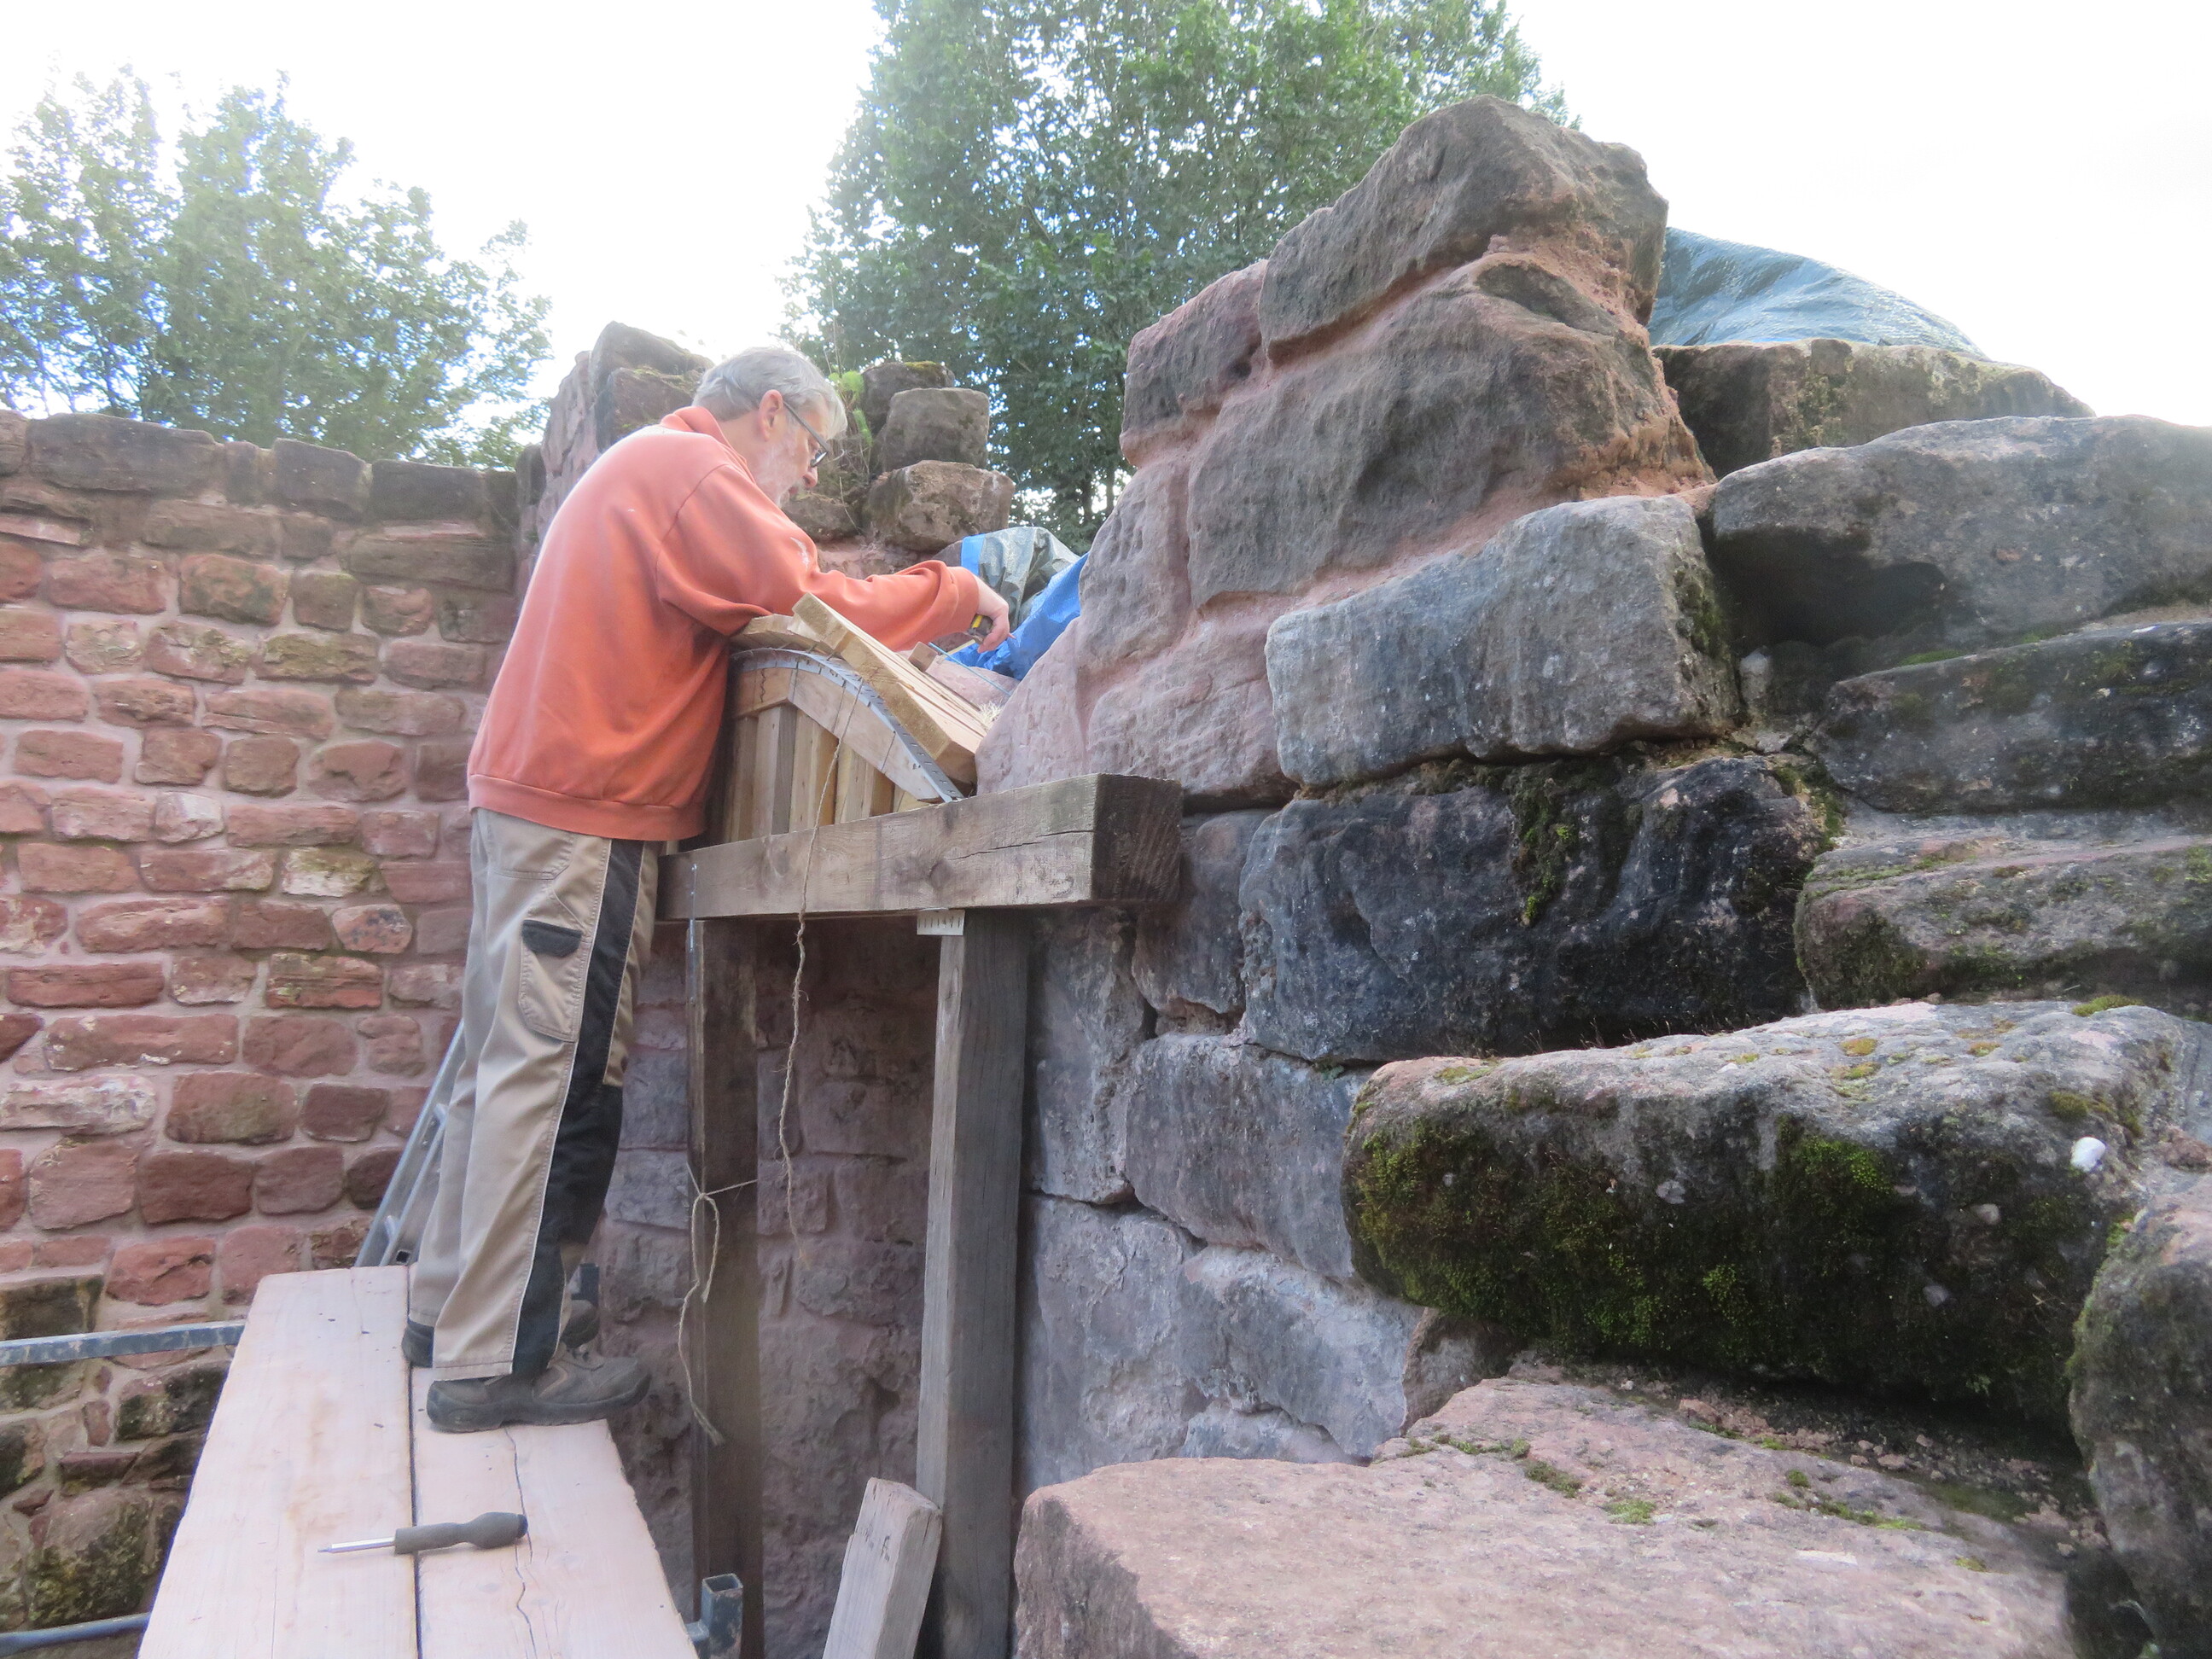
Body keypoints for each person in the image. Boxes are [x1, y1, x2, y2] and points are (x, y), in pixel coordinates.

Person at [405, 347, 1009, 1432]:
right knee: (558, 1081)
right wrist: (955, 591)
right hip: (586, 815)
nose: (806, 477)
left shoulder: (645, 470)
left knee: (504, 1063)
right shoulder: (693, 473)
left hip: (534, 804)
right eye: (809, 448)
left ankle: (444, 1314)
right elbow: (813, 604)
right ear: (769, 412)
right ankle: (496, 1365)